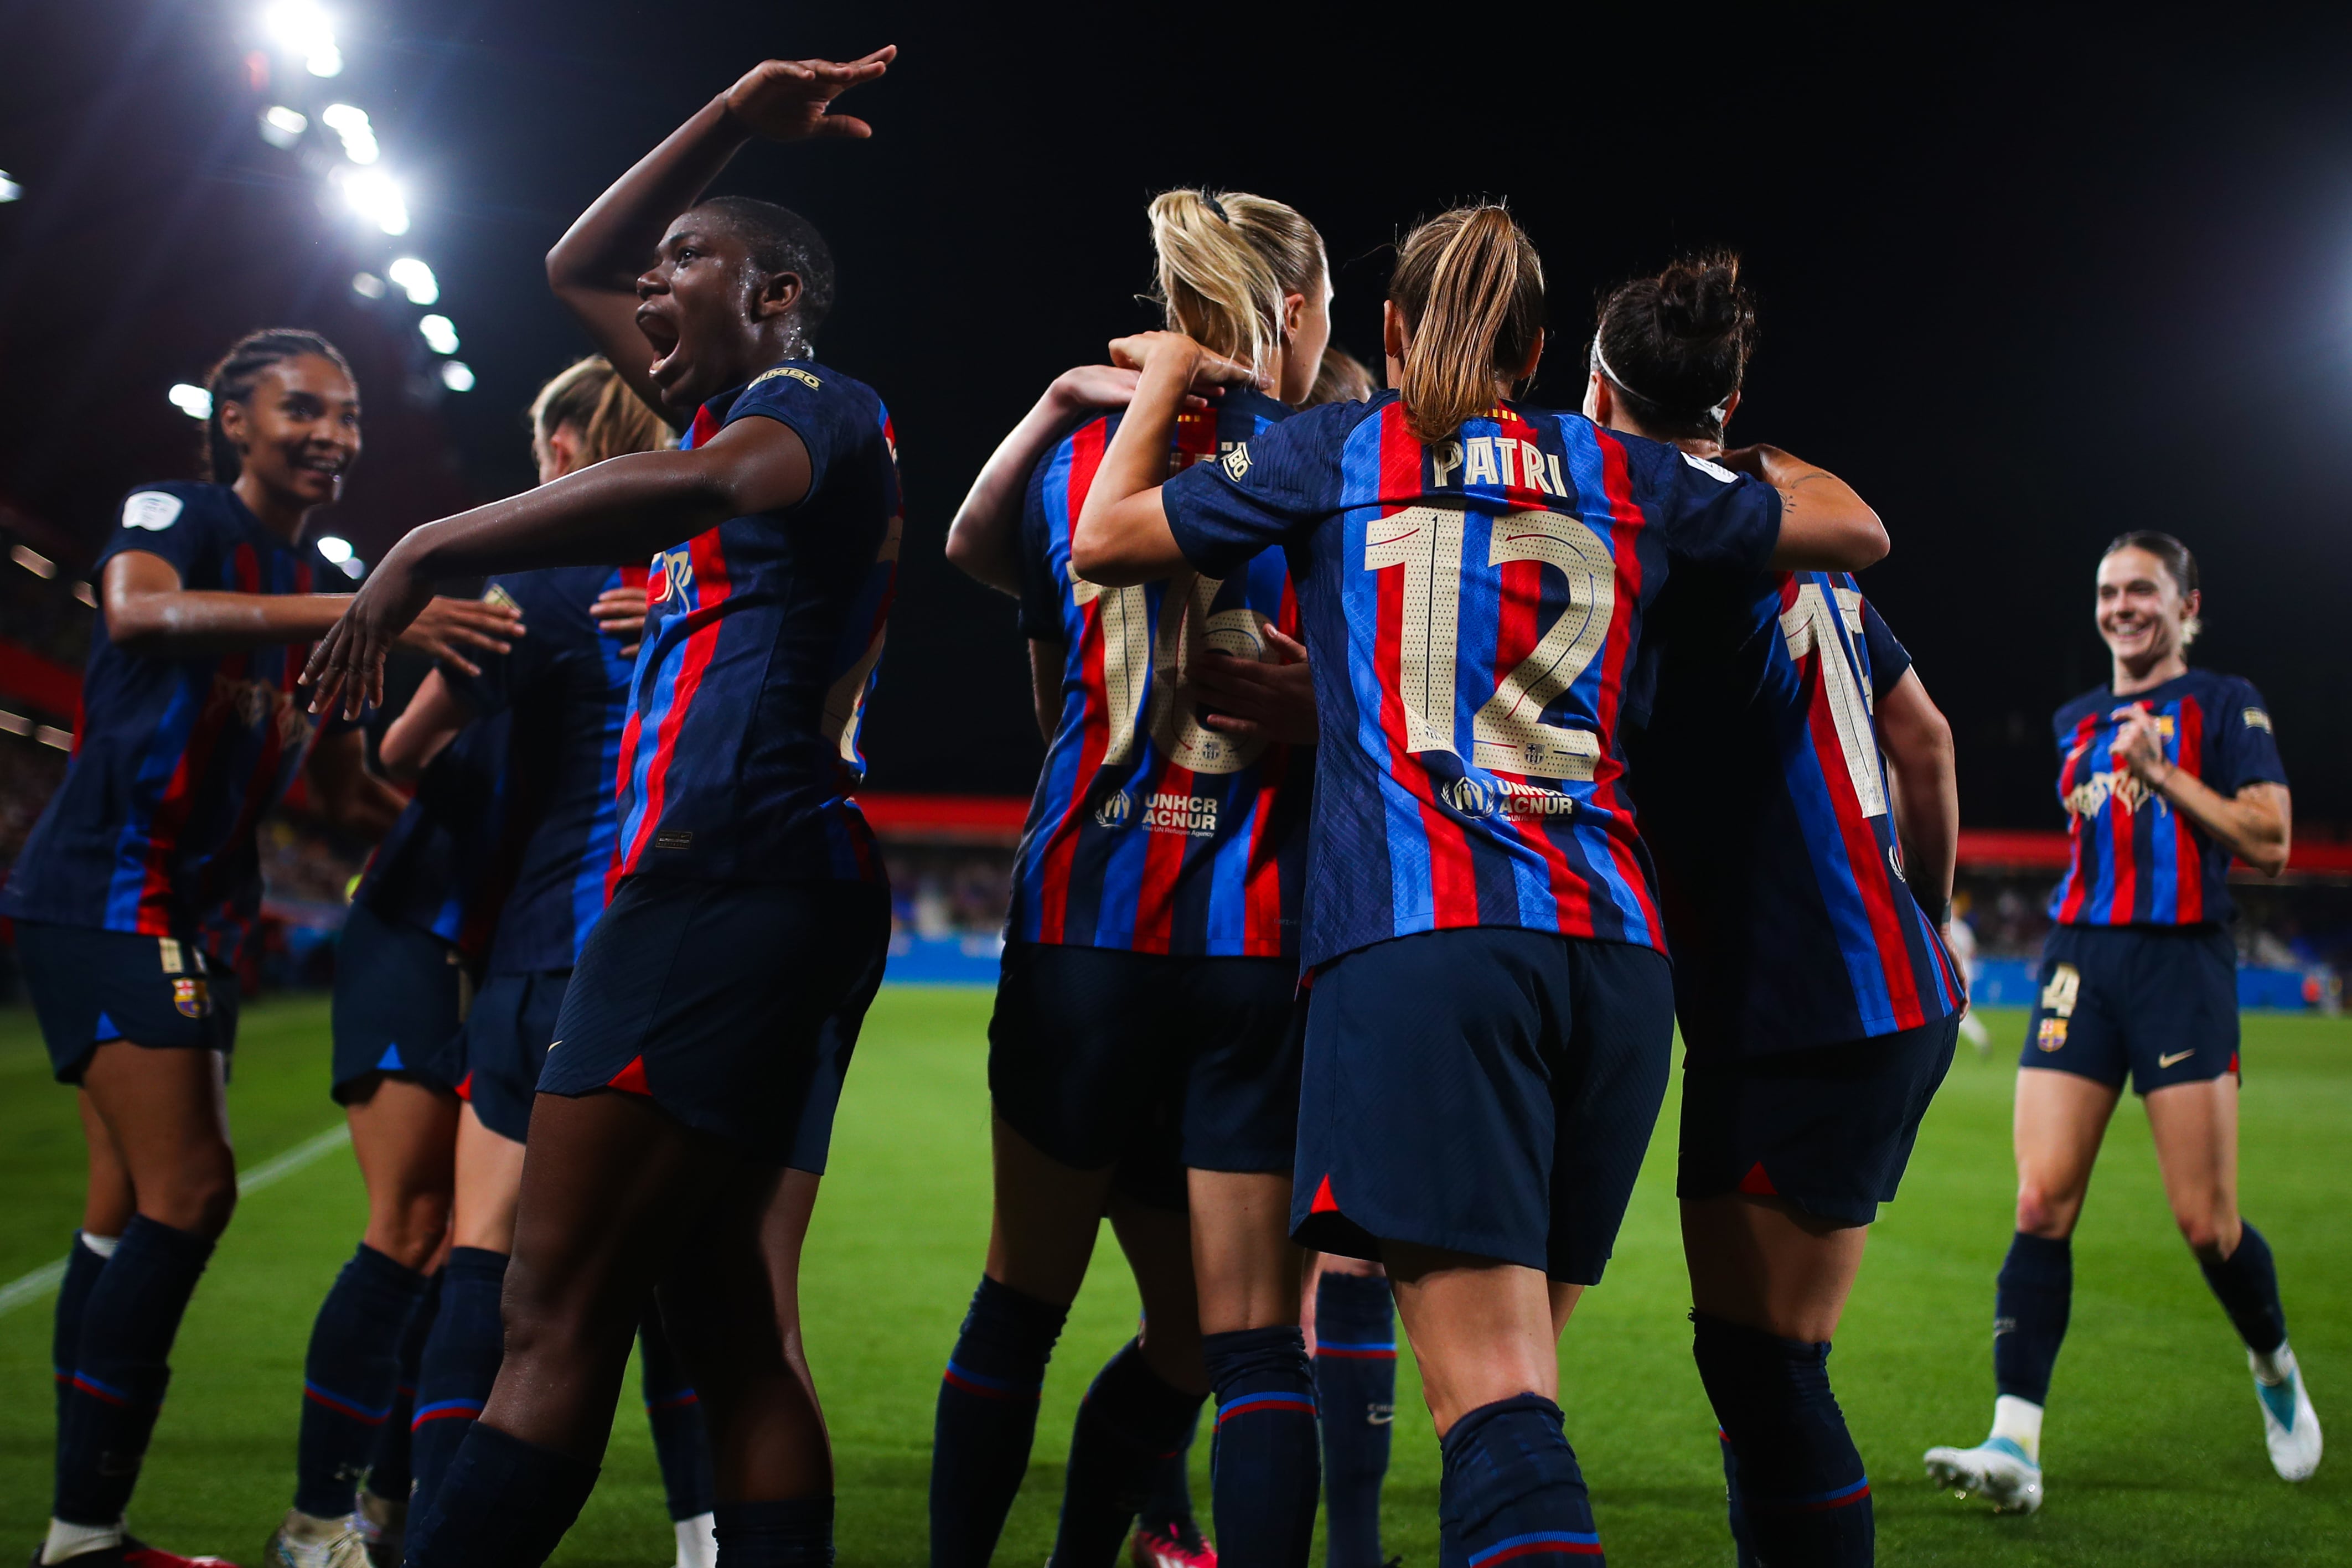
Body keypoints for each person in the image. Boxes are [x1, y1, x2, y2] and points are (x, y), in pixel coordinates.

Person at [1068, 204, 1889, 1565]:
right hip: (1614, 965)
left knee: (1492, 1407)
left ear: (1390, 331)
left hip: (1427, 944)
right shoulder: (1617, 465)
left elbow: (1105, 542)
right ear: (1537, 347)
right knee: (1522, 1391)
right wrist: (1704, 451)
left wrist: (1160, 376)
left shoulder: (1333, 448)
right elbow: (1853, 533)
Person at [301, 48, 902, 1568]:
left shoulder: (808, 408)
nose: (649, 288)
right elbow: (575, 259)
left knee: (548, 1312)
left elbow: (709, 494)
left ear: (774, 292)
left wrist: (427, 540)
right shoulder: (724, 401)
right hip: (760, 883)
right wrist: (724, 119)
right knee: (723, 1322)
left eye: (690, 264)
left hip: (719, 879)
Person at [0, 328, 519, 1568]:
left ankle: (82, 1532)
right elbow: (134, 616)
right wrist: (375, 604)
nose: (335, 434)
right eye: (304, 409)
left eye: (347, 415)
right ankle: (85, 1536)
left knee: (124, 1213)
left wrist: (502, 848)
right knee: (195, 1191)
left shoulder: (315, 584)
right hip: (111, 896)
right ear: (235, 419)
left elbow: (342, 795)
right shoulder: (173, 514)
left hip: (202, 916)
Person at [932, 187, 1329, 1568]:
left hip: (1081, 929)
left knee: (1017, 1303)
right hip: (1254, 941)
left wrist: (1060, 402)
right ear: (1293, 312)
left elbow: (979, 561)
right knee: (1247, 1338)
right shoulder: (1337, 458)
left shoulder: (1074, 468)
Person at [1598, 256, 1963, 1566]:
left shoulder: (1664, 549)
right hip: (1873, 983)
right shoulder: (1799, 541)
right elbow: (1923, 741)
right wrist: (1927, 925)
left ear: (1596, 389)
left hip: (1799, 996)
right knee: (1755, 1373)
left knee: (1764, 1374)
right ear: (1731, 397)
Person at [381, 356, 725, 1568]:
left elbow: (402, 748)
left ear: (573, 447)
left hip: (538, 957)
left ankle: (432, 1528)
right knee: (674, 1268)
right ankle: (706, 1542)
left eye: (542, 453)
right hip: (670, 966)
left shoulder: (546, 585)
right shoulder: (719, 576)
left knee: (487, 1259)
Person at [1925, 531, 2316, 1510]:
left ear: (2187, 606)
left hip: (2180, 957)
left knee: (2205, 1222)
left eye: (2143, 589)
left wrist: (2169, 775)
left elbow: (2270, 838)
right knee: (2039, 1201)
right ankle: (2014, 1446)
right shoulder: (2074, 721)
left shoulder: (2224, 704)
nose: (2121, 605)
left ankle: (2272, 1365)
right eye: (2107, 590)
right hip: (2080, 959)